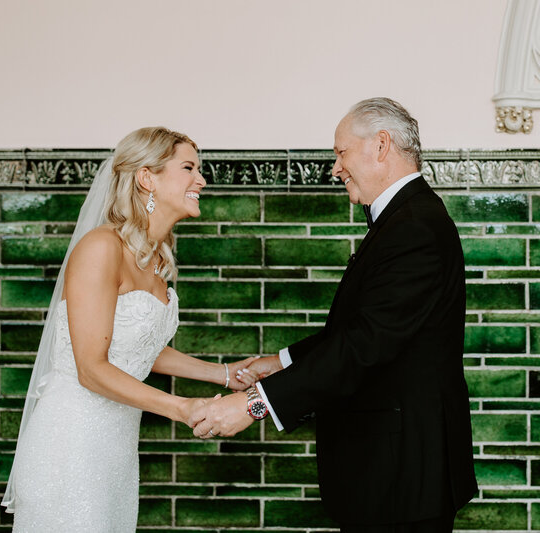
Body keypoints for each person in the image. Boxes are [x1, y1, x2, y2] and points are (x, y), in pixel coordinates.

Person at [193, 98, 479, 532]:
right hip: (393, 472)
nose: (335, 168)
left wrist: (255, 405)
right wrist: (281, 362)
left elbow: (365, 343)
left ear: (381, 145)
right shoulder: (405, 220)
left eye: (341, 152)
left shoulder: (414, 227)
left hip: (403, 476)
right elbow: (364, 328)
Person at [2, 127, 259, 532]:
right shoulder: (101, 247)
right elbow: (92, 367)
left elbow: (135, 347)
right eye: (189, 167)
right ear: (146, 177)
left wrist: (223, 374)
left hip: (116, 448)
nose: (201, 180)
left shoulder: (155, 257)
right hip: (71, 444)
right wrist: (184, 408)